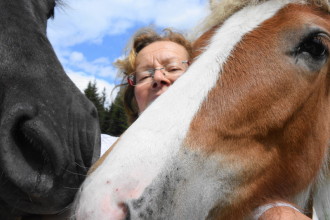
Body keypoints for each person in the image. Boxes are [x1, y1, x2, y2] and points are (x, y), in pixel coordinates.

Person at [100, 27, 312, 220]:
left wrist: (274, 211)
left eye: (173, 68)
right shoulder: (97, 150)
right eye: (145, 74)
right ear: (134, 98)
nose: (158, 77)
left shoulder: (231, 167)